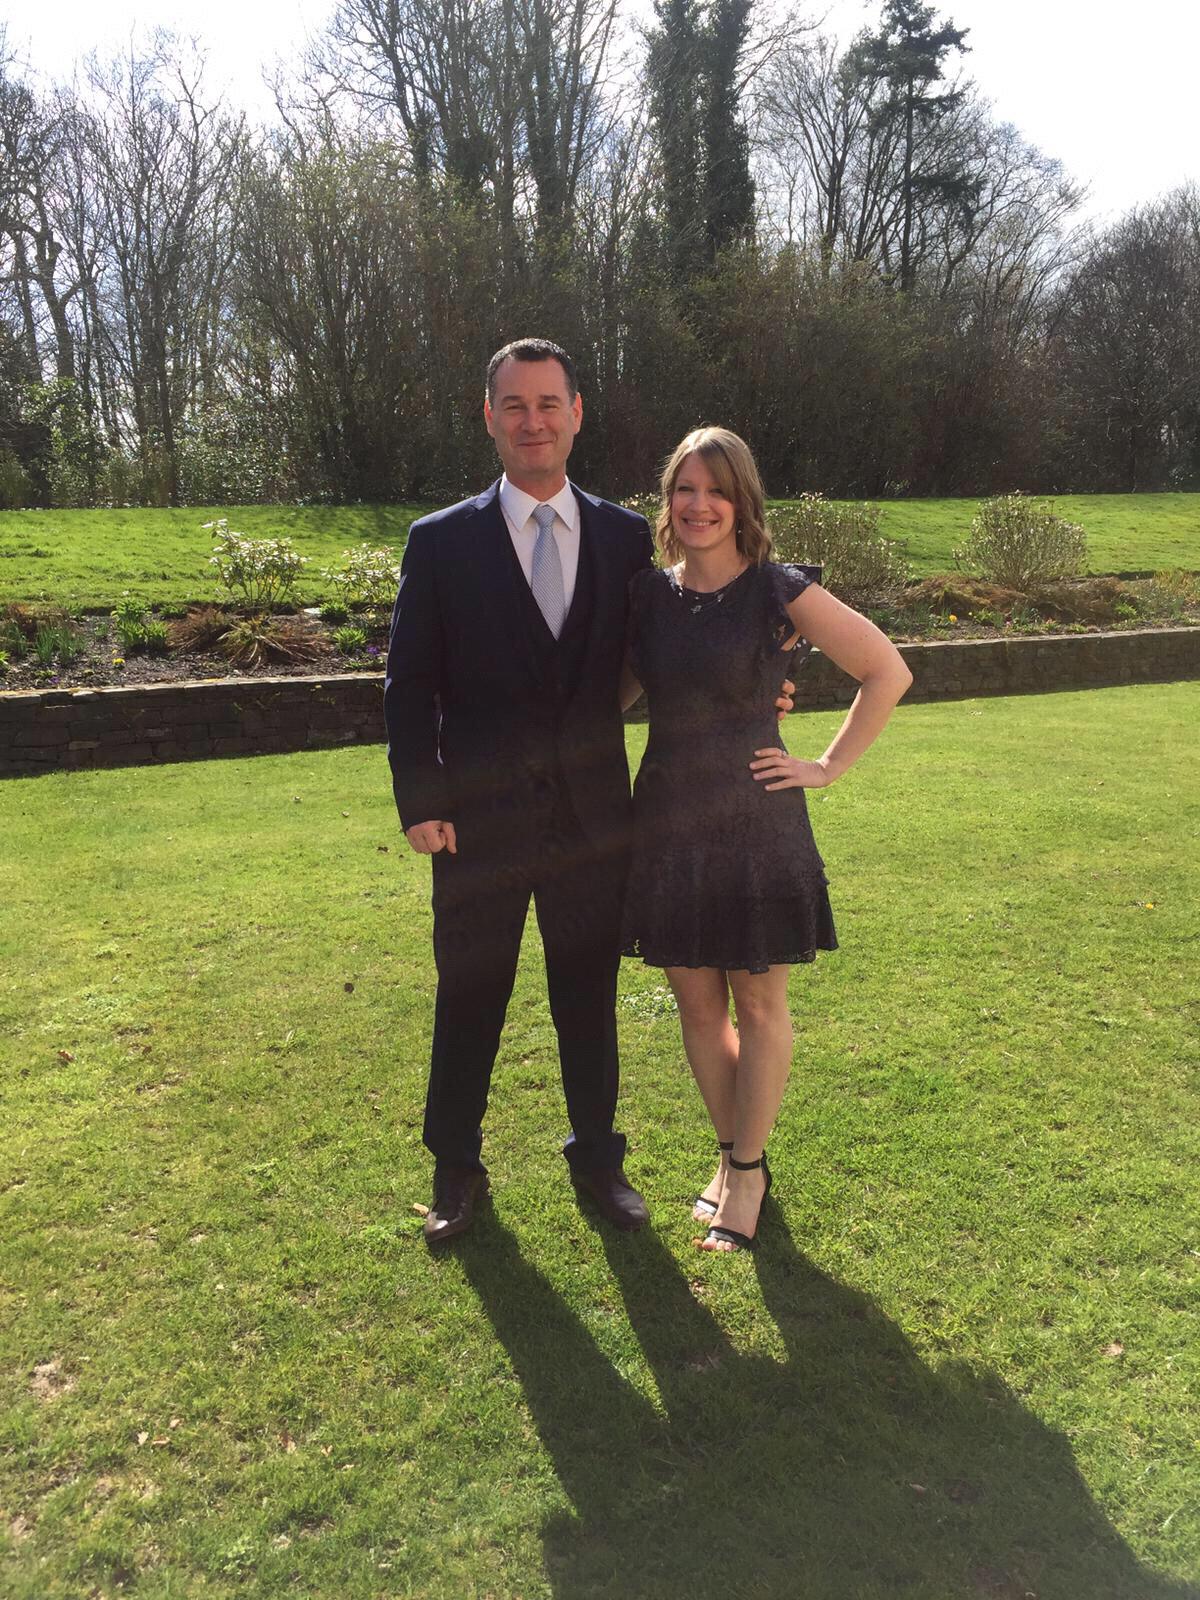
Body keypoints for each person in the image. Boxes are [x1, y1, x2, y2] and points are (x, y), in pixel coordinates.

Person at [384, 338, 658, 1244]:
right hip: (475, 823)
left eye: (548, 404)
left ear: (576, 414)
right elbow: (408, 683)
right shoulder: (440, 541)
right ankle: (455, 1167)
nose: (532, 421)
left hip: (592, 817)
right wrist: (422, 799)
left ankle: (599, 1159)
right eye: (514, 405)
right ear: (489, 417)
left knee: (588, 996)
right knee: (470, 995)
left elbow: (661, 654)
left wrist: (758, 687)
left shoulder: (625, 537)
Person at [620, 427, 913, 1252]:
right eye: (685, 489)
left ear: (743, 501)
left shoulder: (779, 591)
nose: (700, 505)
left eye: (717, 490)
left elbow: (886, 671)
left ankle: (748, 1171)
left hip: (756, 823)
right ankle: (729, 1154)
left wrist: (825, 766)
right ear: (668, 502)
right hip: (668, 822)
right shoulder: (646, 597)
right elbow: (612, 697)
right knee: (696, 1005)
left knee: (758, 1003)